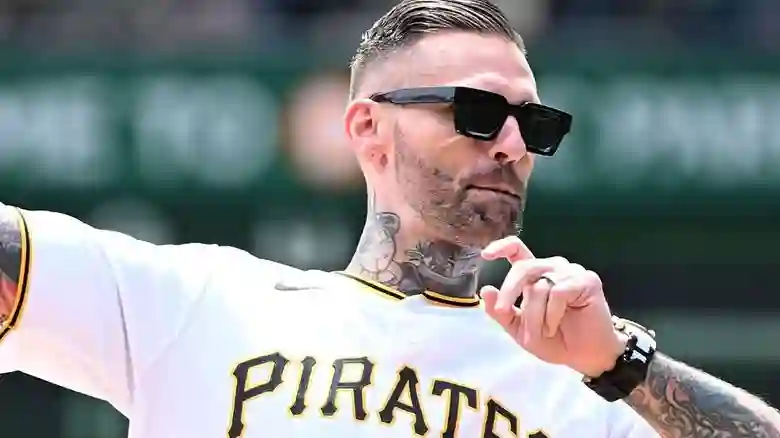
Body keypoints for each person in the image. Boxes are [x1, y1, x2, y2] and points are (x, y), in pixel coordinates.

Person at [0, 0, 778, 437]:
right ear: (368, 128)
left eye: (534, 126)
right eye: (476, 112)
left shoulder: (584, 382)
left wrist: (618, 361)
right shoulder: (196, 299)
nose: (511, 144)